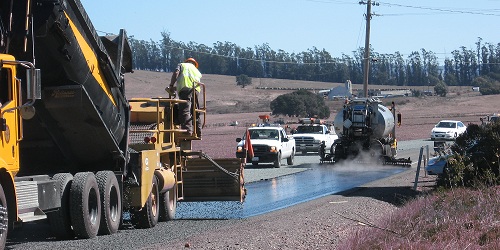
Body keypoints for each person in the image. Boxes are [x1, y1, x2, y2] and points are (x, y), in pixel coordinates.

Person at [169, 58, 202, 135]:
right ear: (194, 64)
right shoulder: (196, 71)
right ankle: (198, 132)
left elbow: (176, 73)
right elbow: (191, 82)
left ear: (187, 62)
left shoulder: (182, 65)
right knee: (195, 111)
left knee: (185, 111)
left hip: (185, 90)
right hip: (196, 91)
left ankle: (187, 132)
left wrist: (171, 85)